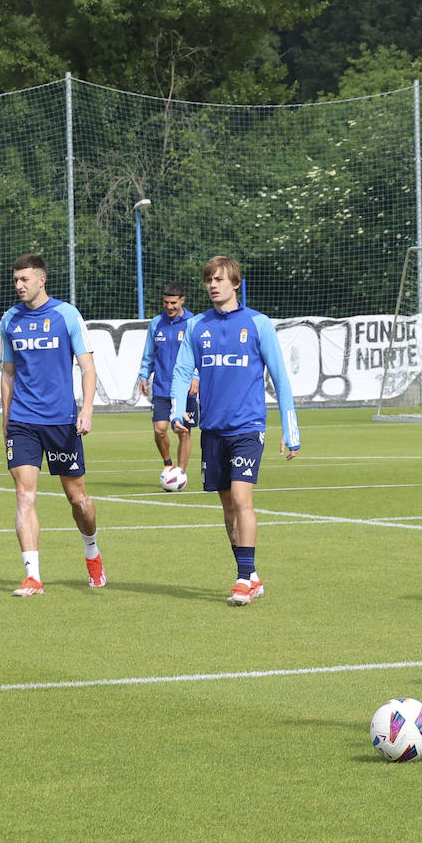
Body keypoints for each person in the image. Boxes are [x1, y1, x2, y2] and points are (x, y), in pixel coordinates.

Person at [171, 256, 300, 606]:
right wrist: (176, 410)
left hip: (248, 427)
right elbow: (182, 372)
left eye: (220, 279)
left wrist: (291, 430)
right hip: (212, 430)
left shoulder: (258, 324)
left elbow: (280, 378)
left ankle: (243, 580)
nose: (213, 285)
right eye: (209, 280)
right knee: (228, 507)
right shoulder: (197, 326)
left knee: (242, 499)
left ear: (235, 283)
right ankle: (251, 573)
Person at [0, 253, 105, 595]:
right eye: (16, 280)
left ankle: (92, 550)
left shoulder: (66, 314)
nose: (19, 286)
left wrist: (86, 410)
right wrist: (6, 419)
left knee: (78, 501)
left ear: (41, 280)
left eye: (24, 279)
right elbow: (8, 373)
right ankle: (33, 576)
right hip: (23, 422)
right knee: (24, 495)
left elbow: (88, 368)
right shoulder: (10, 320)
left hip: (62, 422)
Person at [137, 282, 199, 476]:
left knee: (183, 431)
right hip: (162, 387)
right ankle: (168, 464)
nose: (170, 307)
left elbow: (200, 354)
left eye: (173, 302)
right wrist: (144, 375)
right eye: (166, 302)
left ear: (182, 301)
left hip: (184, 389)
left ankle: (180, 474)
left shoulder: (193, 323)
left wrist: (196, 377)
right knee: (160, 430)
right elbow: (149, 353)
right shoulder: (156, 323)